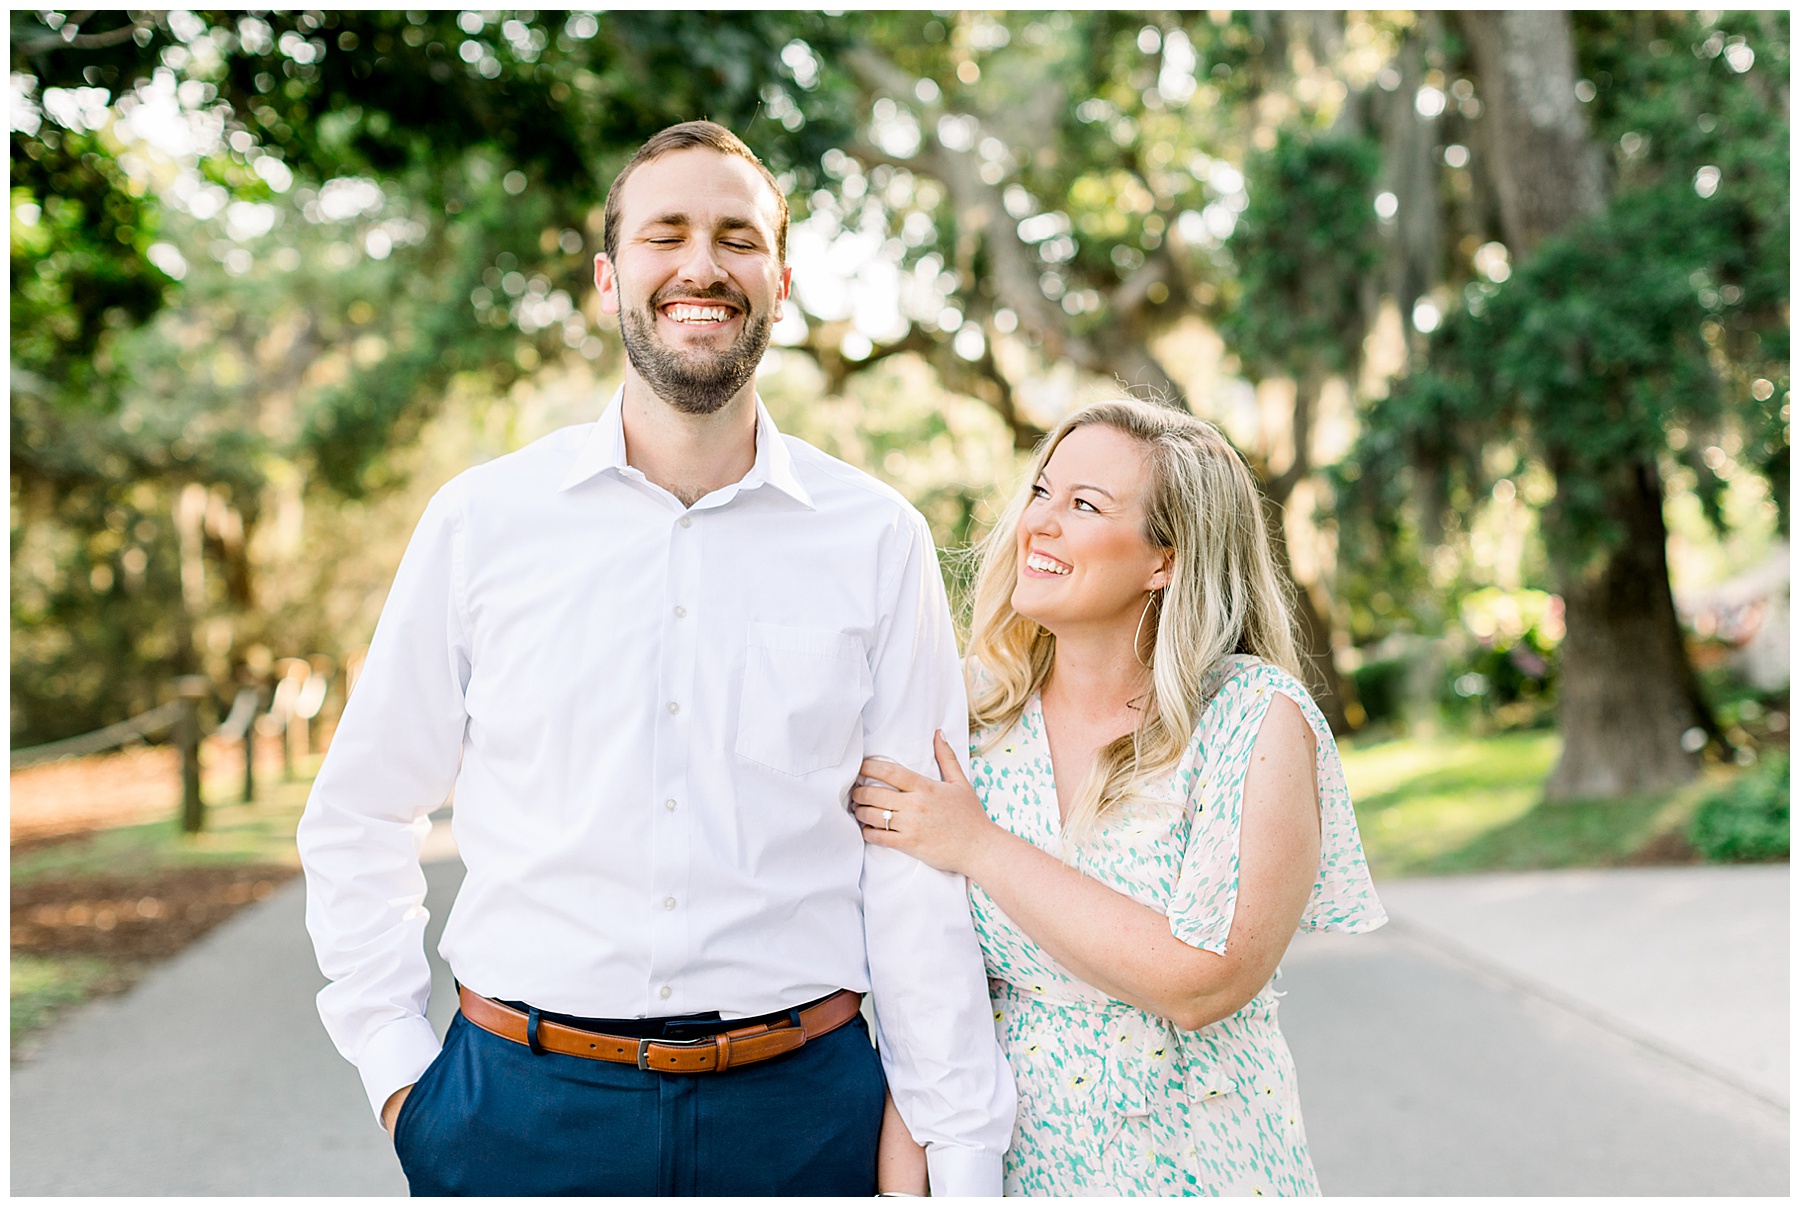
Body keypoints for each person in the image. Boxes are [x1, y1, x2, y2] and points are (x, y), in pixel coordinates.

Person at [296, 121, 1013, 1197]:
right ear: (608, 278)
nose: (701, 267)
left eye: (737, 238)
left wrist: (958, 1147)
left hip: (803, 1118)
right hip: (516, 1116)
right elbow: (361, 809)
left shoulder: (877, 539)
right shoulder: (483, 522)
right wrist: (402, 1077)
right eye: (664, 234)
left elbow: (913, 862)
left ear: (780, 284)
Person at [853, 398, 1387, 1195]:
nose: (1038, 521)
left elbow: (1205, 980)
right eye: (1042, 490)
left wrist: (981, 847)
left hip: (1205, 1169)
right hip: (1016, 1174)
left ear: (1164, 559)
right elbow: (924, 997)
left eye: (1084, 505)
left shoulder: (1252, 719)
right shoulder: (971, 719)